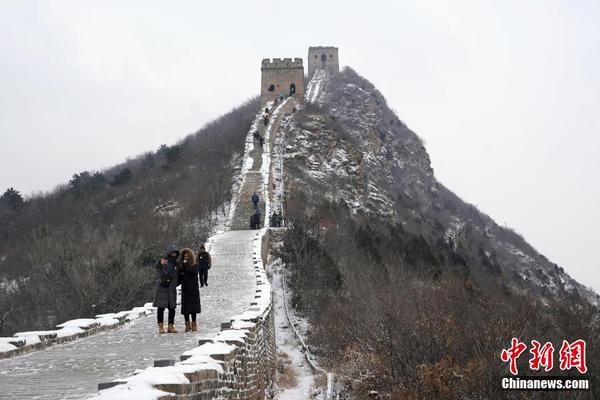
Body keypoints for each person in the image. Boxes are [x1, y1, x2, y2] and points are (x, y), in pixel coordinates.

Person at [153, 244, 180, 334]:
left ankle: (170, 326)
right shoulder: (164, 261)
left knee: (171, 308)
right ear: (169, 252)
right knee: (161, 308)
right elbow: (157, 267)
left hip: (172, 289)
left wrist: (176, 283)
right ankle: (161, 327)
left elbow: (179, 276)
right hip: (162, 288)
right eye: (172, 252)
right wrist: (160, 263)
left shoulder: (177, 264)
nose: (174, 254)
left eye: (175, 252)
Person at [178, 248, 200, 332]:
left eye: (187, 255)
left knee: (193, 308)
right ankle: (187, 324)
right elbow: (180, 275)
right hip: (185, 288)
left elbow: (192, 272)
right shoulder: (181, 265)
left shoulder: (194, 264)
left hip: (193, 289)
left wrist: (186, 265)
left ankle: (194, 323)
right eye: (184, 255)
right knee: (185, 308)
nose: (186, 257)